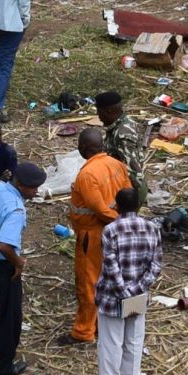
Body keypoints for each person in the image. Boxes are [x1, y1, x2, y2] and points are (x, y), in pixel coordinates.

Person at [93, 187, 162, 375]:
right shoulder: (152, 228)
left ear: (118, 206)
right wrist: (138, 288)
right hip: (138, 295)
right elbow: (156, 264)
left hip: (113, 297)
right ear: (139, 206)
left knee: (111, 344)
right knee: (133, 341)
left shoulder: (111, 230)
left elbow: (111, 265)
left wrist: (123, 291)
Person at [66, 128, 131, 345]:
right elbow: (128, 196)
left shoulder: (87, 175)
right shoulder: (116, 165)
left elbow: (100, 211)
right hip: (115, 234)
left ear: (84, 148)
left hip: (93, 236)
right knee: (111, 279)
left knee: (89, 282)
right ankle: (105, 325)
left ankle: (84, 331)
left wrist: (117, 223)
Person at [0, 163, 42, 375]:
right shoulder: (15, 209)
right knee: (9, 316)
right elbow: (5, 245)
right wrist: (19, 262)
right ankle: (3, 365)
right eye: (34, 188)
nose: (37, 192)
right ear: (22, 186)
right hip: (0, 264)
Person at [94, 89, 147, 203]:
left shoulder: (122, 135)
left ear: (108, 111)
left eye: (99, 112)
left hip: (129, 193)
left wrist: (129, 202)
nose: (98, 116)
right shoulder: (122, 123)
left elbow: (133, 170)